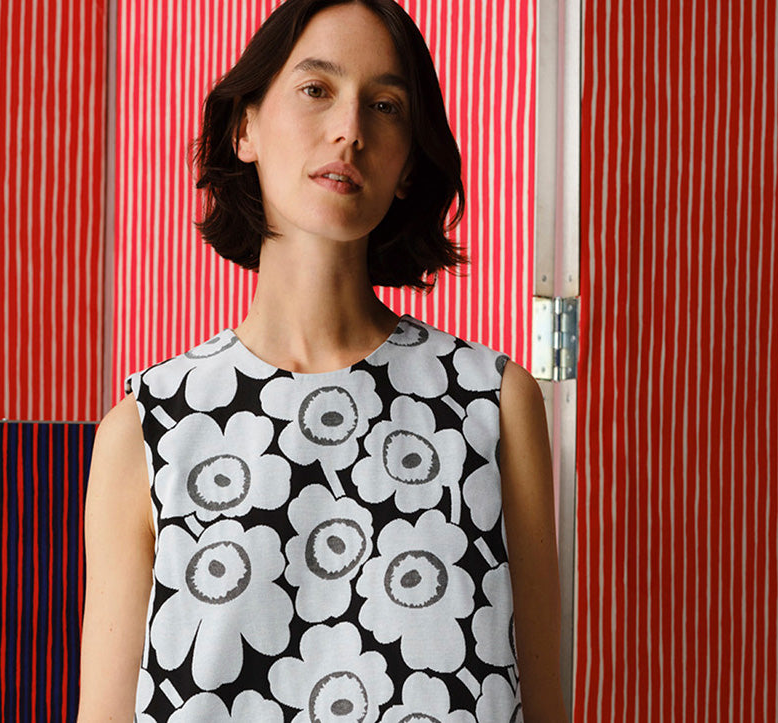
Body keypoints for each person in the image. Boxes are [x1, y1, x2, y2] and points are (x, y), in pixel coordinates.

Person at [78, 0, 564, 720]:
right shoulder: (148, 431)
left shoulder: (492, 405)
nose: (350, 130)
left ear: (408, 165)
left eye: (386, 106)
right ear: (244, 127)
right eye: (316, 89)